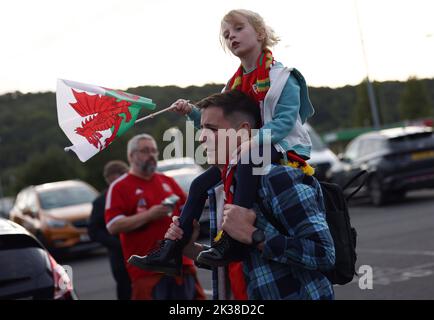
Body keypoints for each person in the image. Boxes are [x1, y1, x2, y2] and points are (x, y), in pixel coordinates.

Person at [133, 8, 315, 275]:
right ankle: (173, 248)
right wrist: (192, 112)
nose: (232, 37)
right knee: (198, 185)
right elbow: (219, 124)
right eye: (227, 35)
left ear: (260, 32)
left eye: (239, 29)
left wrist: (248, 139)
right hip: (247, 151)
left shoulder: (285, 77)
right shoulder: (232, 85)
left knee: (245, 158)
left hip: (282, 149)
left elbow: (284, 123)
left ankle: (231, 237)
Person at [165, 91, 335, 299]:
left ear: (244, 133)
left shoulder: (277, 178)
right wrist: (191, 249)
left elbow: (325, 254)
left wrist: (254, 235)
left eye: (211, 129)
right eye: (201, 129)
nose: (201, 138)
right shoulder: (223, 188)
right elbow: (246, 263)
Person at [104, 134, 205, 300]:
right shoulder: (120, 187)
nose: (151, 155)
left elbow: (188, 207)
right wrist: (149, 215)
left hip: (181, 265)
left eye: (154, 151)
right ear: (131, 156)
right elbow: (113, 225)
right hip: (148, 272)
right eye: (145, 151)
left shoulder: (167, 180)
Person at [88, 160, 131, 300]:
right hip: (119, 256)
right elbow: (93, 231)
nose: (116, 187)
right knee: (126, 289)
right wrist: (117, 244)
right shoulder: (101, 201)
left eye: (119, 181)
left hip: (145, 248)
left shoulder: (136, 193)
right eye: (112, 183)